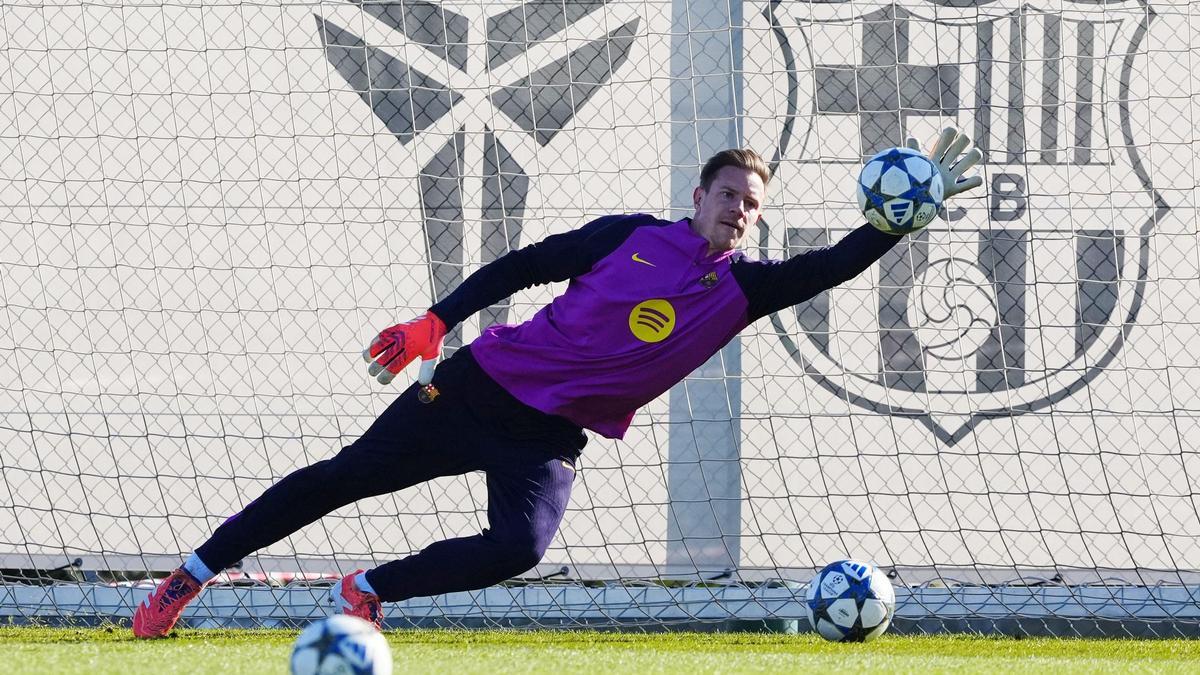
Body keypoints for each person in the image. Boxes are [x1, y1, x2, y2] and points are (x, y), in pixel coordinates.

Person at [132, 129, 982, 637]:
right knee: (339, 480)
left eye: (751, 203)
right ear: (698, 194)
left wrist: (900, 217)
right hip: (478, 386)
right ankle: (189, 577)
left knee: (521, 549)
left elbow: (835, 264)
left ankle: (366, 590)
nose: (738, 208)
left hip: (546, 438)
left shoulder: (745, 290)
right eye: (728, 193)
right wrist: (436, 318)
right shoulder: (632, 236)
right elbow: (526, 263)